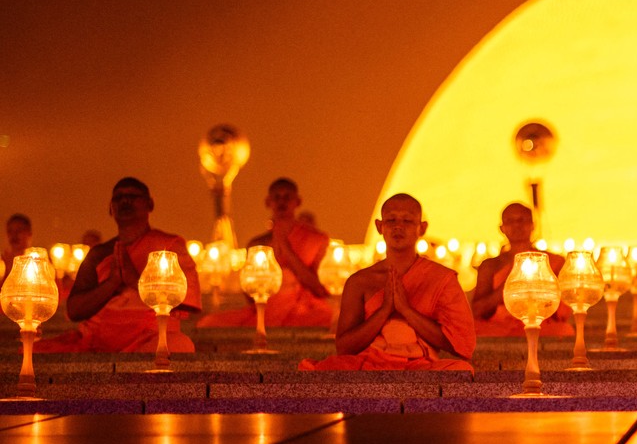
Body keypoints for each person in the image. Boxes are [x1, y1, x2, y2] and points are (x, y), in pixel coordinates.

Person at [300, 193, 475, 370]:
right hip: (369, 364)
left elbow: (461, 344)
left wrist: (406, 310)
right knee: (326, 370)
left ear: (422, 228)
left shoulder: (440, 278)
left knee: (461, 370)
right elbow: (344, 347)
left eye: (407, 220)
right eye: (391, 220)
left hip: (420, 367)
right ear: (380, 226)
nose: (398, 226)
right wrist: (384, 310)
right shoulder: (359, 281)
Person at [35, 178, 201, 353]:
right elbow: (74, 310)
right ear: (110, 208)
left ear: (150, 204)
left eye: (133, 196)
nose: (125, 201)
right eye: (118, 197)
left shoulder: (170, 246)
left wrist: (135, 281)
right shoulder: (99, 253)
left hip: (150, 338)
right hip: (98, 341)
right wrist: (111, 283)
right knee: (33, 351)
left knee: (180, 345)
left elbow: (183, 301)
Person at [199, 178, 332, 328]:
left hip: (305, 311)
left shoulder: (316, 239)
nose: (282, 202)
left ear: (298, 202)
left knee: (329, 317)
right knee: (209, 323)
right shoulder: (257, 245)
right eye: (277, 197)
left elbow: (321, 288)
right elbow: (249, 292)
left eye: (287, 197)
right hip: (267, 309)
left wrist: (286, 249)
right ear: (268, 202)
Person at [469, 202, 573, 336]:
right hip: (501, 328)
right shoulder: (490, 265)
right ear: (502, 228)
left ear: (533, 225)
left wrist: (539, 294)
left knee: (564, 330)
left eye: (521, 220)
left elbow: (563, 310)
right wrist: (506, 291)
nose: (516, 225)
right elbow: (476, 311)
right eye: (510, 221)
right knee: (475, 329)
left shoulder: (552, 261)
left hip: (542, 325)